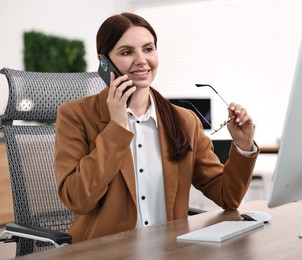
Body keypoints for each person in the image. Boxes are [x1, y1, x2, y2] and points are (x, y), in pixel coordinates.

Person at [54, 12, 259, 243]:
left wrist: (243, 146)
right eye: (126, 52)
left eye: (148, 49)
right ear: (104, 61)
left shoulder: (184, 121)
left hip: (169, 251)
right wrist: (117, 126)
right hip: (104, 252)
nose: (141, 60)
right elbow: (78, 199)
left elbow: (227, 197)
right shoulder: (75, 116)